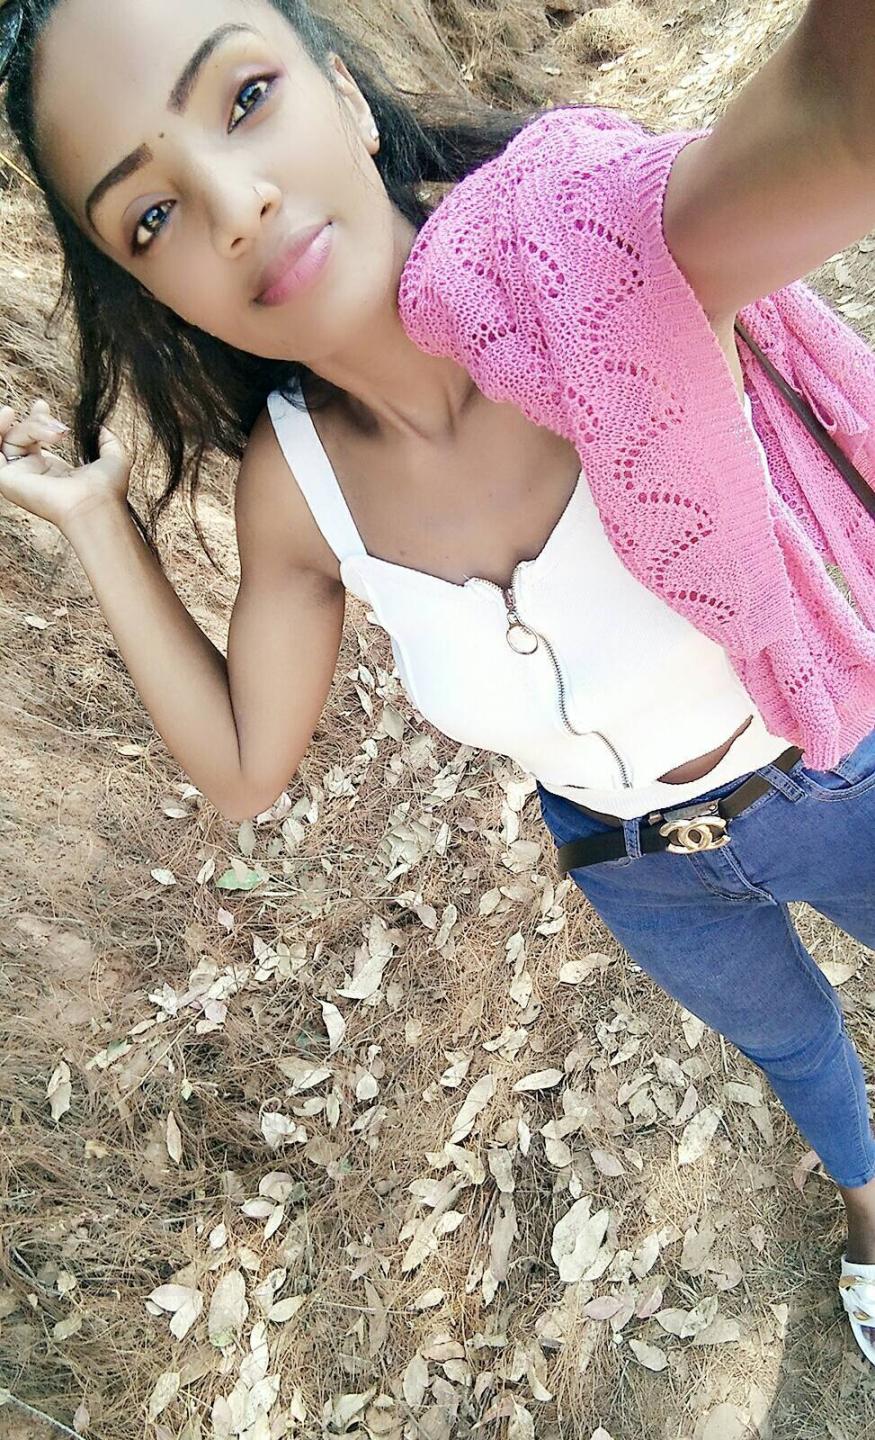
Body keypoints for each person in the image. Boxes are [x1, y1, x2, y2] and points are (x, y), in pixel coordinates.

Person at [2, 0, 875, 1364]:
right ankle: (871, 1210)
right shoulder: (296, 488)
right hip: (637, 865)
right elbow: (244, 768)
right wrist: (96, 522)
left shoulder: (599, 250)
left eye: (244, 98)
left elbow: (841, 110)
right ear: (147, 288)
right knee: (797, 1051)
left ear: (348, 96)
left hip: (836, 772)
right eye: (150, 217)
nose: (233, 205)